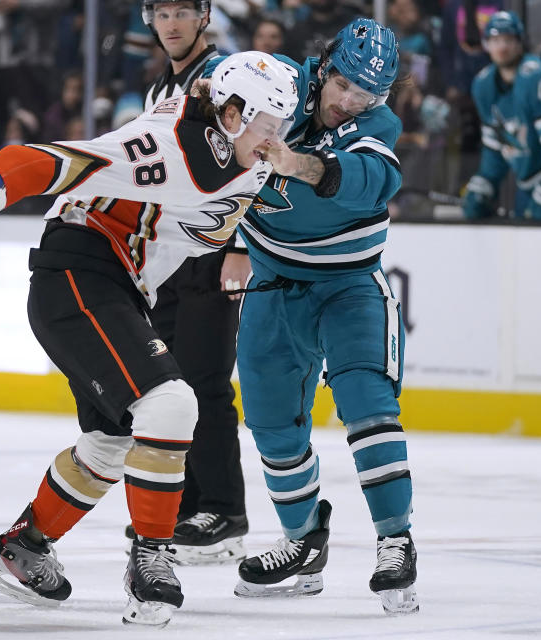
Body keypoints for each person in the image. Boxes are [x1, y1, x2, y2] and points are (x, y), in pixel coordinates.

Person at [0, 50, 298, 627]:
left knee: (111, 442)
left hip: (119, 286)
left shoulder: (239, 140)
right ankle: (152, 559)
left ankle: (23, 547)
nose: (275, 141)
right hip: (79, 274)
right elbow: (55, 160)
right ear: (234, 115)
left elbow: (254, 181)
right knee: (171, 403)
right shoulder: (169, 150)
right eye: (268, 128)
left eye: (280, 130)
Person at [219, 18, 419, 615]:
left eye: (367, 94)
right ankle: (303, 538)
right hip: (274, 283)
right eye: (345, 86)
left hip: (349, 285)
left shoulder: (378, 124)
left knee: (367, 403)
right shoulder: (275, 87)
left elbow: (373, 182)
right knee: (271, 420)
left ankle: (395, 540)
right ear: (324, 66)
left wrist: (298, 164)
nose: (351, 101)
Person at [123, 0, 253, 566]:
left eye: (183, 12)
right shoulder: (160, 90)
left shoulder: (225, 79)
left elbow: (256, 159)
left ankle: (225, 512)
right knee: (174, 387)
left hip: (212, 250)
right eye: (162, 12)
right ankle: (192, 505)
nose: (171, 23)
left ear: (204, 17)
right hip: (169, 256)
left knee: (206, 382)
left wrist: (242, 246)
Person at [462, 11, 541, 219]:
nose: (502, 47)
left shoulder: (535, 76)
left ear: (519, 43)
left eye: (508, 40)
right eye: (496, 40)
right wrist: (484, 183)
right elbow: (495, 148)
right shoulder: (483, 86)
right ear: (486, 44)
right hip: (525, 184)